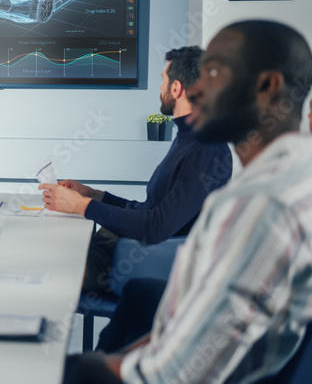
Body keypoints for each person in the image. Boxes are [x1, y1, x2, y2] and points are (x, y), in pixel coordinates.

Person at [64, 20, 312, 384]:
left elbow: (177, 373)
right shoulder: (294, 172)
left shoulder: (260, 205)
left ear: (266, 86)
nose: (196, 91)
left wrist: (87, 371)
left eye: (213, 72)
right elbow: (205, 323)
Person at [40, 47, 232, 293]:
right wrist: (93, 195)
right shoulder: (190, 138)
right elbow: (149, 211)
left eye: (163, 81)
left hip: (140, 266)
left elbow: (156, 227)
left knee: (41, 261)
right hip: (127, 250)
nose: (160, 89)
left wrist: (81, 206)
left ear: (176, 88)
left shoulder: (206, 149)